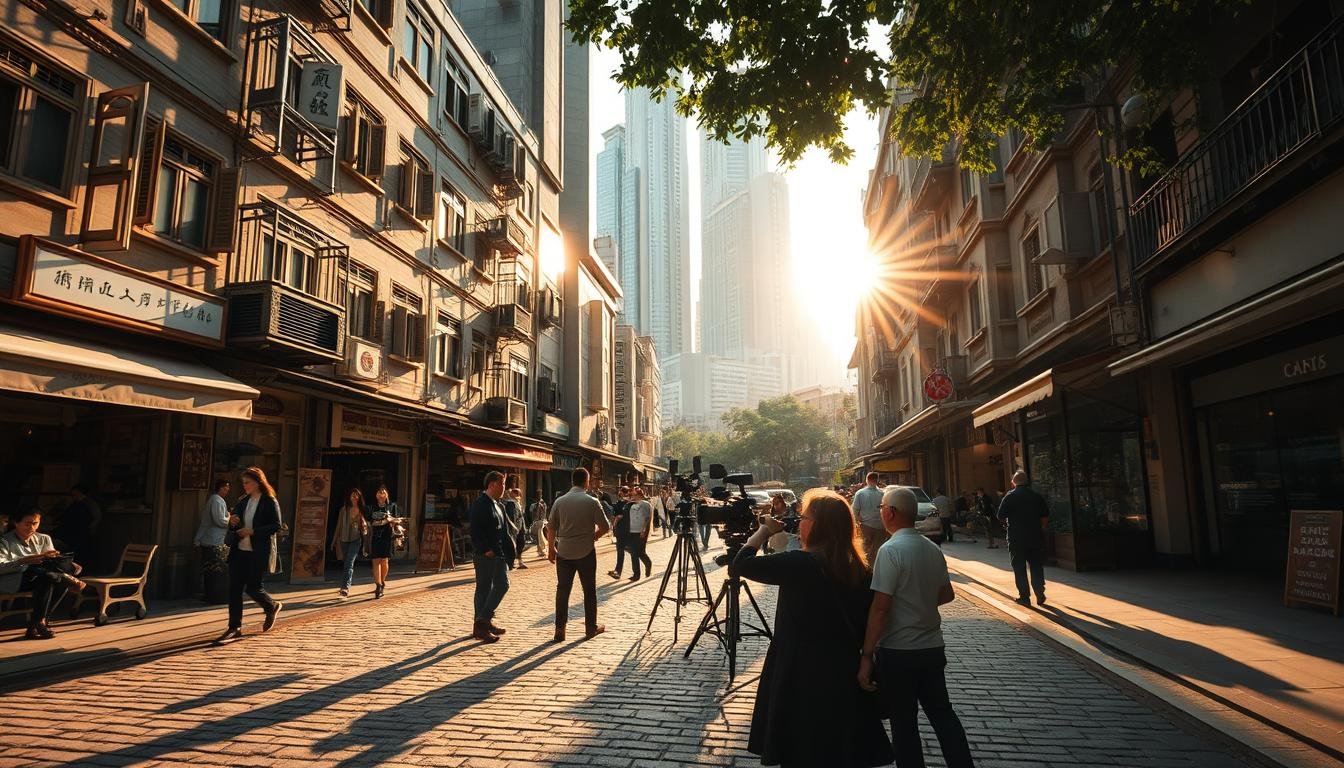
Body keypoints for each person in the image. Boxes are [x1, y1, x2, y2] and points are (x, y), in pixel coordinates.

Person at [732, 490, 894, 767]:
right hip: (842, 672)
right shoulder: (858, 568)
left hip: (800, 675)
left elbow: (741, 564)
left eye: (805, 517)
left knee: (801, 750)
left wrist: (763, 531)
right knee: (837, 752)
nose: (800, 523)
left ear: (818, 525)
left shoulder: (801, 564)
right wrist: (867, 658)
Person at [859, 486, 975, 768]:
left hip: (899, 650)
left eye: (881, 507)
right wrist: (920, 599)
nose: (881, 512)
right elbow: (947, 594)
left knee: (904, 722)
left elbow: (881, 606)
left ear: (891, 512)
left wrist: (866, 654)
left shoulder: (890, 550)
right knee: (943, 715)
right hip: (932, 647)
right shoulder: (931, 548)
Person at [216, 467, 283, 644]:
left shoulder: (269, 501)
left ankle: (272, 606)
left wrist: (253, 532)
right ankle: (234, 626)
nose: (244, 486)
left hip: (258, 552)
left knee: (253, 587)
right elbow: (233, 525)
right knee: (234, 589)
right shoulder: (242, 501)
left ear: (257, 482)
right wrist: (233, 521)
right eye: (243, 482)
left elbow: (276, 525)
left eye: (247, 482)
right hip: (239, 551)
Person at [547, 467, 611, 641]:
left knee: (562, 591)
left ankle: (560, 629)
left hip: (564, 552)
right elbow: (606, 527)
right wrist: (594, 537)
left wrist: (551, 548)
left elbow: (551, 526)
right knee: (589, 591)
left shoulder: (560, 501)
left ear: (572, 481)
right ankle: (591, 628)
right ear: (586, 481)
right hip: (586, 551)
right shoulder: (592, 501)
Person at [0, 510, 86, 640]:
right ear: (16, 523)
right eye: (27, 524)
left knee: (49, 578)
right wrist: (24, 560)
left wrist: (68, 563)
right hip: (15, 580)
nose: (32, 528)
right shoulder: (4, 541)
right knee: (49, 576)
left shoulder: (44, 538)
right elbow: (1, 567)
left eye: (35, 523)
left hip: (42, 577)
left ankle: (37, 623)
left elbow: (51, 561)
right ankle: (38, 624)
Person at [468, 471, 511, 643]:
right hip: (486, 554)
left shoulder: (498, 504)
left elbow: (503, 530)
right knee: (485, 588)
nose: (504, 488)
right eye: (502, 484)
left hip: (498, 553)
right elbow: (475, 529)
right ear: (492, 484)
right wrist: (485, 549)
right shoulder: (481, 503)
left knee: (501, 584)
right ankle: (481, 625)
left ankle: (483, 622)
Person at [997, 470, 1050, 606]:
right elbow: (1045, 517)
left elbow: (1000, 516)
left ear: (1013, 482)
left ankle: (1024, 597)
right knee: (1036, 565)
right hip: (1035, 536)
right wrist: (1042, 529)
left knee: (1019, 567)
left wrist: (1007, 525)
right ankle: (1039, 592)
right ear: (1027, 481)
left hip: (1016, 537)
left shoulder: (1009, 497)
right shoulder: (1036, 496)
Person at [330, 488, 369, 599]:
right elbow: (338, 526)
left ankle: (345, 588)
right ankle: (347, 583)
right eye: (353, 495)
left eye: (357, 495)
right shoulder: (344, 510)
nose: (354, 497)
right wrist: (334, 540)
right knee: (345, 562)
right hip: (343, 539)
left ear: (359, 497)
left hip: (356, 539)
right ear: (349, 497)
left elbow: (365, 527)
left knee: (349, 563)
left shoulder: (362, 510)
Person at [193, 479, 231, 580]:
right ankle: (208, 590)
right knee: (211, 566)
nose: (228, 489)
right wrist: (230, 519)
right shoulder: (216, 500)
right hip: (211, 540)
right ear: (221, 488)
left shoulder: (217, 500)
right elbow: (219, 520)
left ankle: (208, 588)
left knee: (210, 566)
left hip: (213, 539)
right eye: (226, 487)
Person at [367, 485, 400, 599]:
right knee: (376, 560)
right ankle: (378, 585)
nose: (381, 494)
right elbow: (368, 521)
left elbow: (398, 519)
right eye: (379, 492)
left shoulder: (392, 506)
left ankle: (383, 581)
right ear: (376, 495)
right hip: (376, 535)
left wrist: (391, 520)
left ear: (386, 494)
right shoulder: (371, 507)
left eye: (383, 492)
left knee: (384, 561)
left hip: (387, 535)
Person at [53, 484, 100, 564]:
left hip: (80, 534)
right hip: (72, 533)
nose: (73, 495)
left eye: (75, 493)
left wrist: (88, 529)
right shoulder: (75, 503)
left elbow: (96, 518)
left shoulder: (87, 504)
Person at [851, 472, 885, 565]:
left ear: (866, 480)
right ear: (877, 480)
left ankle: (867, 568)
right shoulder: (883, 493)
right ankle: (876, 568)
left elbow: (855, 510)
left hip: (866, 526)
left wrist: (858, 521)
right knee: (878, 549)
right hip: (881, 526)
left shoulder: (860, 493)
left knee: (865, 549)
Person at [625, 487, 655, 581]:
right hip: (631, 531)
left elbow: (647, 518)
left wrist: (644, 530)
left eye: (633, 494)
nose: (631, 495)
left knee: (640, 552)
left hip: (641, 532)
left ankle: (648, 563)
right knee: (633, 553)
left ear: (638, 495)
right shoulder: (631, 505)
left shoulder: (645, 504)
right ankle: (636, 575)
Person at [606, 486, 631, 579]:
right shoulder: (623, 503)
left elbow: (618, 516)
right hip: (623, 529)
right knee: (621, 551)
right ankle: (618, 571)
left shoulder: (626, 503)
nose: (620, 493)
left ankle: (618, 572)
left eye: (622, 492)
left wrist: (614, 525)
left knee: (623, 550)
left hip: (622, 529)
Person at [504, 485, 528, 570]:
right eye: (516, 493)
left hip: (520, 526)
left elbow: (521, 516)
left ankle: (520, 561)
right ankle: (511, 562)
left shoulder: (518, 503)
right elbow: (512, 517)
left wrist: (524, 528)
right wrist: (513, 528)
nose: (519, 495)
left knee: (521, 544)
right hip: (515, 528)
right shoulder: (510, 503)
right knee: (513, 545)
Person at [528, 489, 549, 558]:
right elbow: (532, 515)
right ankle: (540, 550)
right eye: (538, 495)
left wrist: (540, 506)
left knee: (542, 533)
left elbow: (544, 514)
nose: (539, 496)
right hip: (536, 523)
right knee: (538, 535)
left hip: (543, 522)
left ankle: (543, 550)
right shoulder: (532, 505)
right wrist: (536, 506)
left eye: (540, 495)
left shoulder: (544, 504)